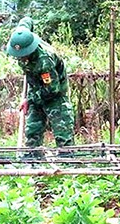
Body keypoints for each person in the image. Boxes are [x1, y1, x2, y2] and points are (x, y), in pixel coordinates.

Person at [6, 17, 74, 155]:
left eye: (23, 55)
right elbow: (26, 20)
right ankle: (33, 163)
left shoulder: (44, 62)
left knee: (63, 134)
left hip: (54, 95)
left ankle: (68, 165)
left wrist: (29, 99)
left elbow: (51, 90)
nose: (20, 58)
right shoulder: (21, 36)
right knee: (32, 131)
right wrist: (30, 99)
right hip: (36, 90)